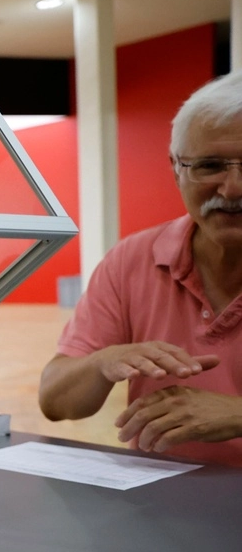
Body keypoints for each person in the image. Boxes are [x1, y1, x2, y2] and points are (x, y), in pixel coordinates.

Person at [39, 70, 242, 466]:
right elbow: (56, 402)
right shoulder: (133, 258)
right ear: (176, 168)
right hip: (156, 502)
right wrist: (101, 361)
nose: (233, 188)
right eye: (210, 165)